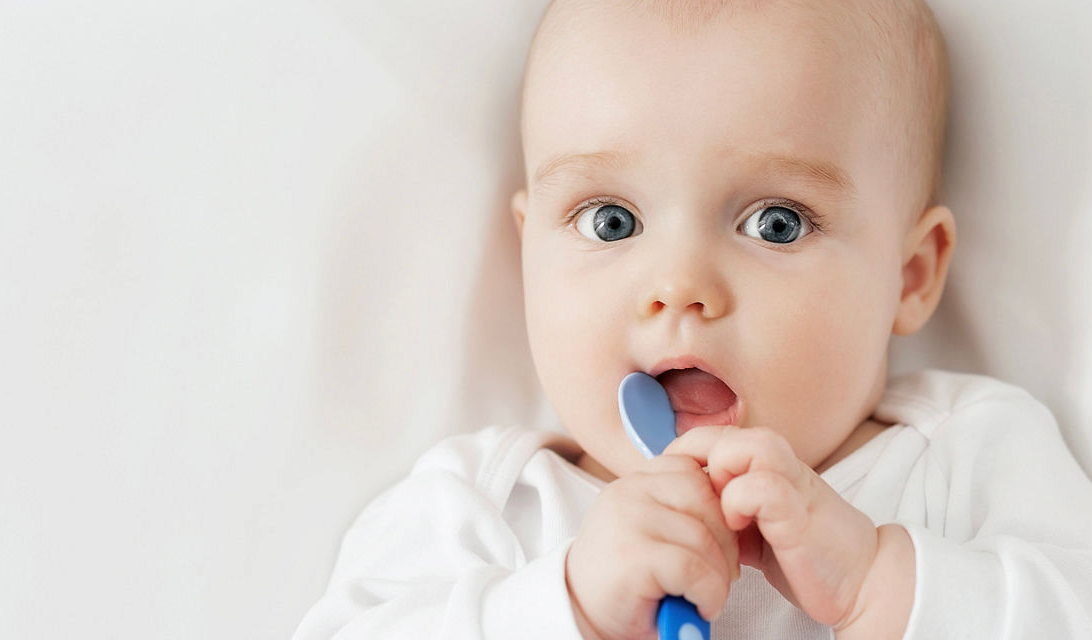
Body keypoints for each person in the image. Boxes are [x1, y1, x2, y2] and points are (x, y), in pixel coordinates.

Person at [295, 0, 1092, 637]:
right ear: (528, 252)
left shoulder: (964, 459)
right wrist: (567, 606)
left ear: (909, 276)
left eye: (776, 223)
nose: (678, 287)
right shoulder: (487, 507)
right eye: (611, 221)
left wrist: (878, 585)